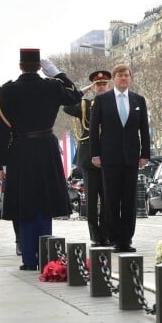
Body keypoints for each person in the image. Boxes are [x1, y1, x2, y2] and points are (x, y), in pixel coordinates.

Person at [0, 49, 82, 270]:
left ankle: (29, 260)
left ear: (20, 66)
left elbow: (2, 131)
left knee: (26, 202)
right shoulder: (52, 86)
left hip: (20, 150)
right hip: (46, 148)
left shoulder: (7, 91)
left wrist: (0, 163)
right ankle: (47, 257)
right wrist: (59, 74)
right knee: (45, 201)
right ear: (39, 66)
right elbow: (77, 96)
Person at [89, 64, 150, 252]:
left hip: (131, 157)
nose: (123, 78)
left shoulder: (138, 100)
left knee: (129, 199)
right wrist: (95, 154)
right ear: (113, 79)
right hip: (109, 156)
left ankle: (126, 239)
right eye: (120, 76)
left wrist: (145, 154)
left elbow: (144, 130)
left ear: (130, 78)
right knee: (111, 198)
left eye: (126, 75)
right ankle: (114, 237)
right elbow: (93, 129)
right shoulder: (102, 100)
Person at [64, 70, 111, 246]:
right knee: (91, 199)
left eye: (104, 84)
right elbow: (67, 105)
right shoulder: (85, 104)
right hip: (89, 156)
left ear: (108, 86)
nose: (101, 87)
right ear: (93, 87)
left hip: (108, 155)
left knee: (107, 198)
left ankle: (105, 233)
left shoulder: (114, 102)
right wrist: (84, 91)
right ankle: (94, 235)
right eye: (97, 85)